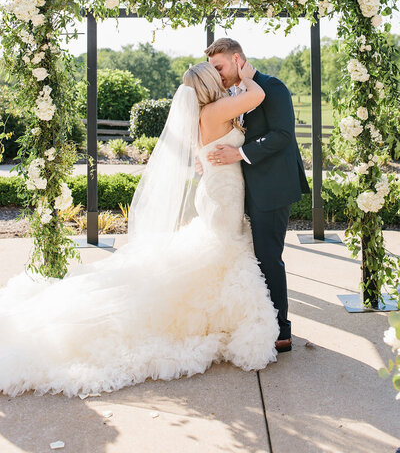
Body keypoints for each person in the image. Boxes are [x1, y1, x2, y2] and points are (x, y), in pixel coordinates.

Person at [0, 61, 280, 398]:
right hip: (223, 197)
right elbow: (259, 94)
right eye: (217, 74)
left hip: (220, 191)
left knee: (218, 253)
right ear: (208, 84)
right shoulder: (216, 110)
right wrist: (247, 77)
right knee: (223, 251)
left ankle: (216, 320)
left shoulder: (207, 113)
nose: (223, 77)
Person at [205, 38, 310, 352]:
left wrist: (239, 154)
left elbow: (282, 135)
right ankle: (258, 321)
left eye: (220, 67)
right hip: (243, 189)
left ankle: (281, 331)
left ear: (237, 60)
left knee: (268, 257)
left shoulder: (272, 87)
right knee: (249, 260)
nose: (217, 75)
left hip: (272, 188)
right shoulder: (230, 93)